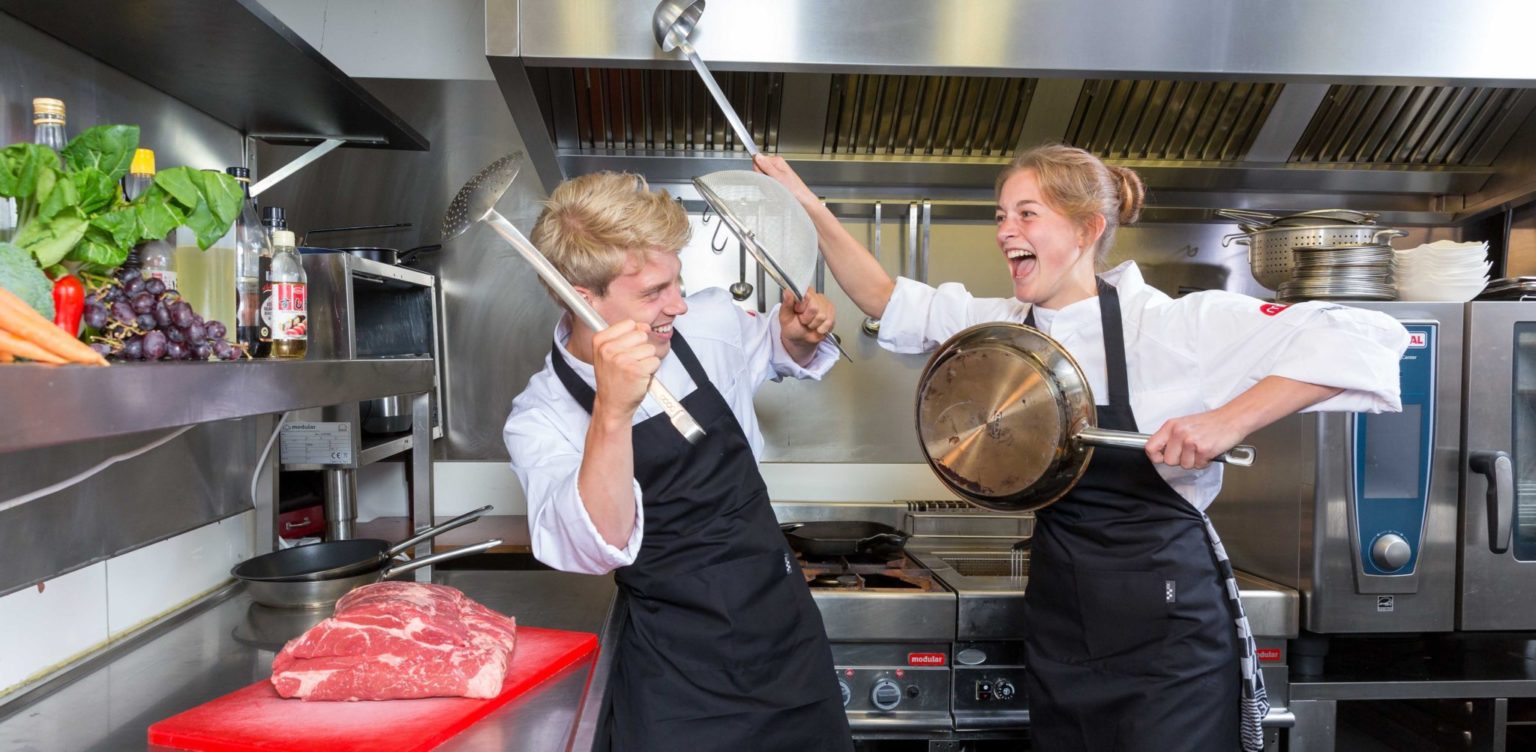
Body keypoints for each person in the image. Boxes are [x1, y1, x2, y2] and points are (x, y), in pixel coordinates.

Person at [756, 145, 1408, 751]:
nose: (1005, 229)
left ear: (1087, 229)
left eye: (1027, 214)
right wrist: (808, 208)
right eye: (1001, 215)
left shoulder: (1174, 325)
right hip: (1063, 620)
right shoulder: (1007, 331)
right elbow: (885, 297)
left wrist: (1229, 421)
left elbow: (1369, 336)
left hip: (1167, 634)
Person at [502, 171, 854, 751]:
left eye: (677, 282)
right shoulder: (541, 417)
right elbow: (595, 545)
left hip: (785, 641)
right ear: (580, 296)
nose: (679, 304)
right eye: (652, 294)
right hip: (679, 674)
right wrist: (611, 414)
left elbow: (767, 346)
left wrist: (795, 337)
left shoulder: (706, 323)